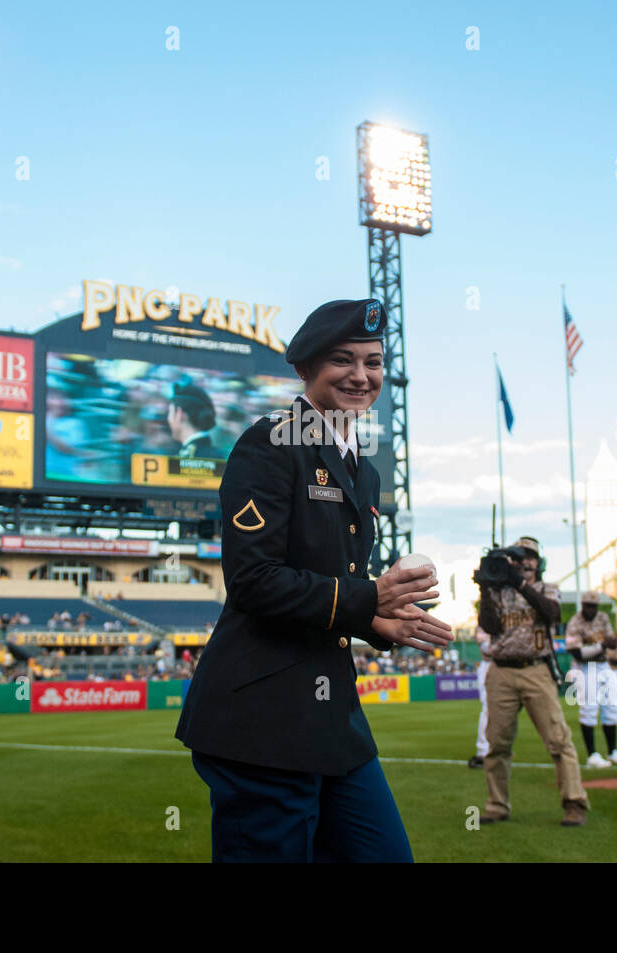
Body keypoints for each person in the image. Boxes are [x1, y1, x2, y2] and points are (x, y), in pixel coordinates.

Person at [175, 297, 452, 862]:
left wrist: (381, 620)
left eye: (372, 363)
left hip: (332, 718)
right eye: (342, 361)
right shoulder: (270, 442)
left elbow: (337, 584)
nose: (360, 376)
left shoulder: (364, 468)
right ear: (305, 369)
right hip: (263, 719)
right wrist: (369, 595)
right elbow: (253, 580)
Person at [477, 537, 589, 826]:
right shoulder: (499, 590)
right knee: (496, 743)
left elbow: (552, 613)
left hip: (536, 668)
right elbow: (489, 626)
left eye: (530, 557)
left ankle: (574, 802)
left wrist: (520, 584)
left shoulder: (545, 588)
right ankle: (497, 804)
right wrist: (486, 587)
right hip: (500, 670)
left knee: (558, 740)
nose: (524, 561)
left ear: (539, 562)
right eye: (519, 556)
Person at [565, 590, 617, 767]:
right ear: (583, 605)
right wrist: (601, 645)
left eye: (593, 606)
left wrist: (616, 654)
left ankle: (612, 752)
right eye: (588, 605)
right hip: (585, 667)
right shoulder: (575, 622)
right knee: (589, 708)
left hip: (603, 665)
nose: (591, 609)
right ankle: (592, 755)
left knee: (611, 707)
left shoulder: (602, 617)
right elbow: (577, 653)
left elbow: (610, 640)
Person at [168, 378, 219, 459]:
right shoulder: (218, 454)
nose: (169, 420)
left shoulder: (186, 458)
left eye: (169, 413)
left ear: (179, 414)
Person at [467, 625, 491, 768]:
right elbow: (481, 639)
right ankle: (483, 750)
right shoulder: (484, 622)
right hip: (488, 667)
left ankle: (493, 748)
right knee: (488, 709)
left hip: (500, 667)